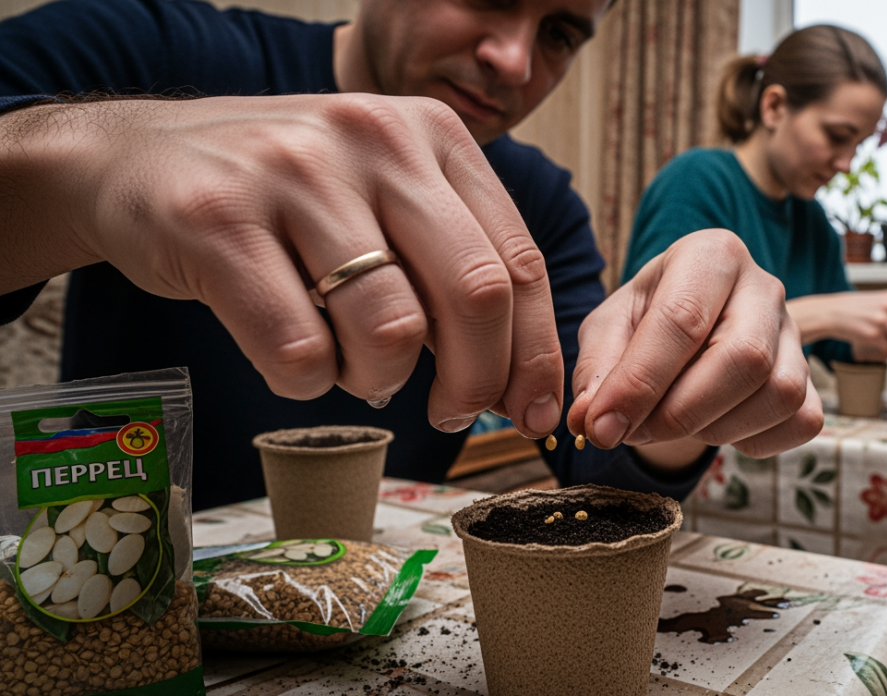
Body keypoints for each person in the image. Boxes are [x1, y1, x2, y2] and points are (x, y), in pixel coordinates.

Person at [0, 0, 822, 510]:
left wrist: (681, 393)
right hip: (117, 585)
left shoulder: (540, 206)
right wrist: (97, 160)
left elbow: (594, 456)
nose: (515, 59)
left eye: (563, 32)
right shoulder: (144, 51)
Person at [622, 25, 887, 370]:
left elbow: (840, 346)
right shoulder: (696, 181)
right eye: (837, 135)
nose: (846, 163)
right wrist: (829, 313)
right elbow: (656, 339)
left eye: (858, 144)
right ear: (774, 107)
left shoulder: (812, 222)